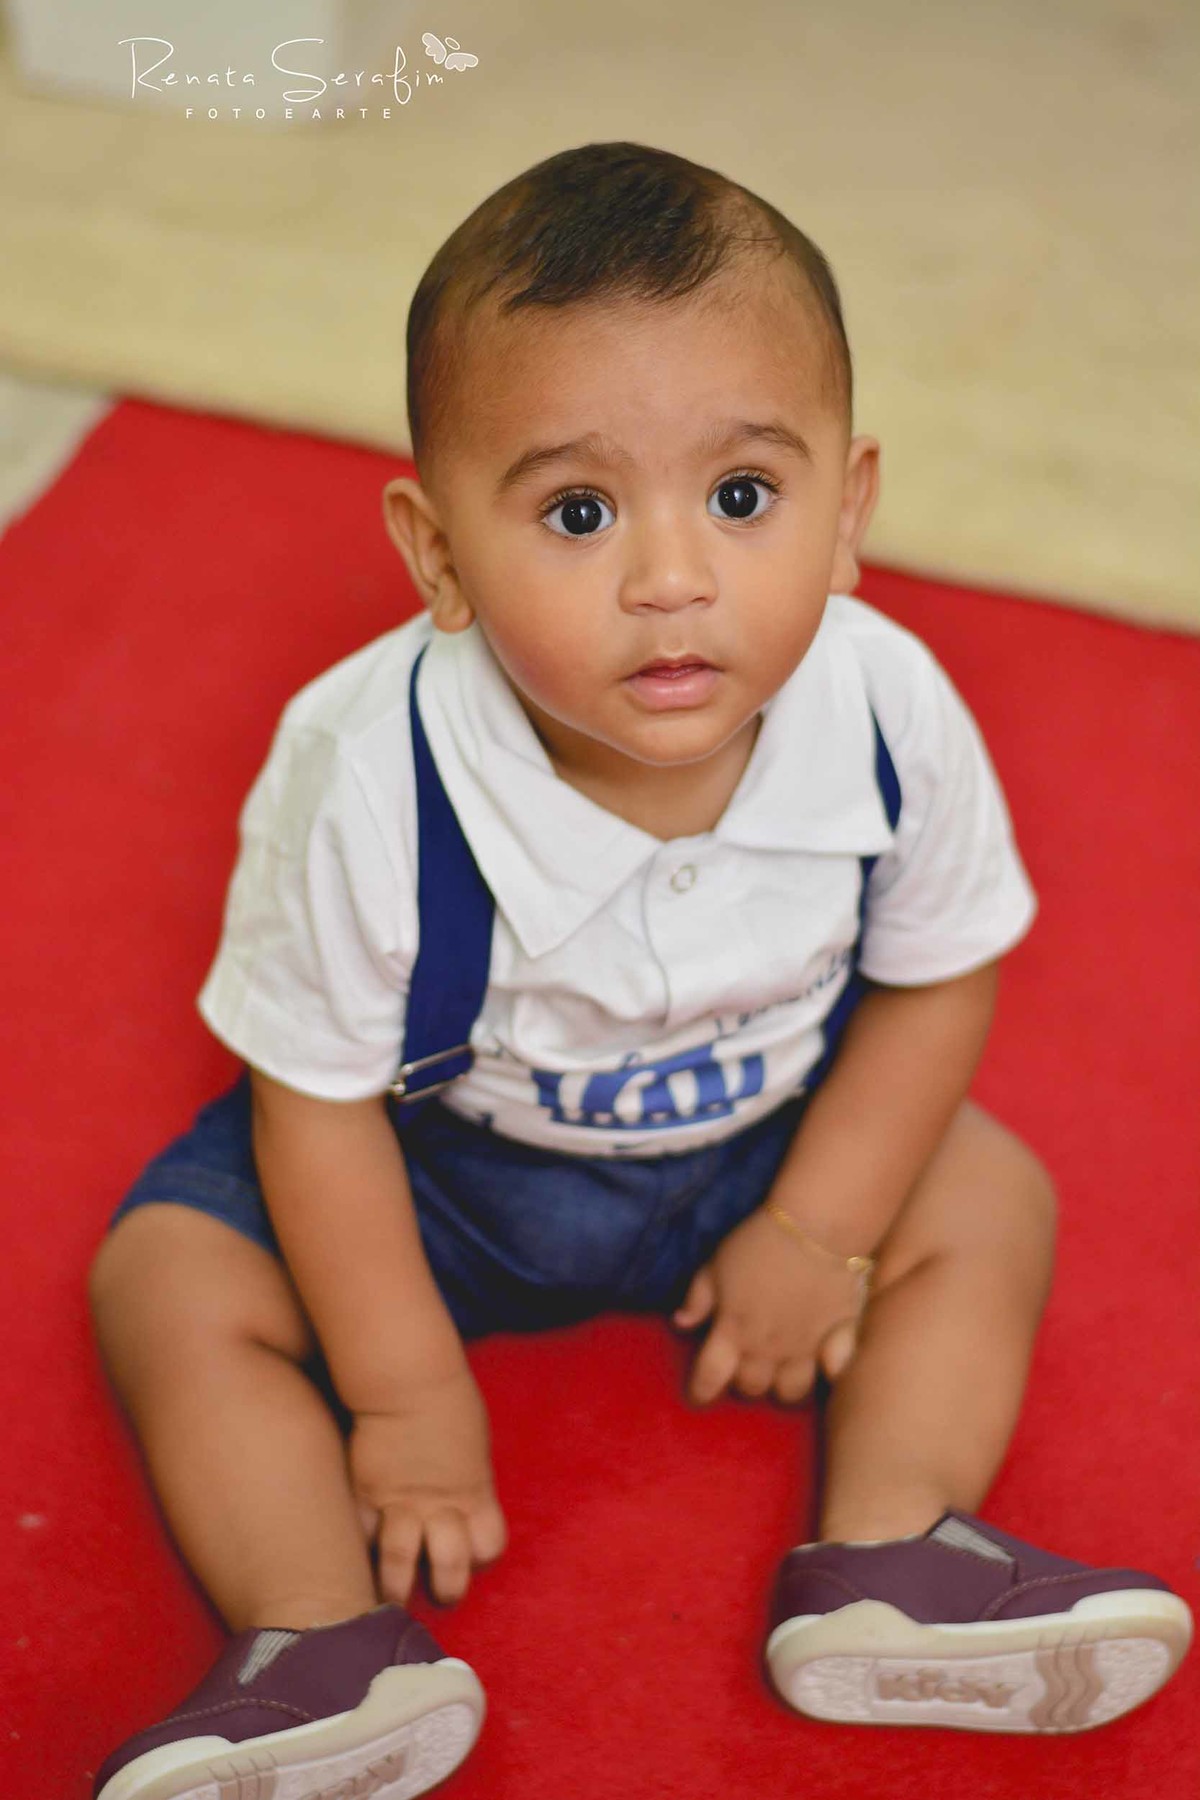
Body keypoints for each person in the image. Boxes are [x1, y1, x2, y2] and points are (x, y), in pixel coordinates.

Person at [87, 141, 1192, 1799]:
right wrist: (402, 1396)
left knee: (991, 1193)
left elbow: (935, 981)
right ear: (438, 553)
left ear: (847, 513)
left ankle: (892, 1547)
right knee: (168, 1276)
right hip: (442, 1170)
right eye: (579, 512)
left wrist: (817, 1232)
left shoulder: (888, 708)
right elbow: (310, 1099)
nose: (671, 579)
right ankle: (316, 1640)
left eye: (743, 498)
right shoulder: (365, 767)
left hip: (767, 1139)